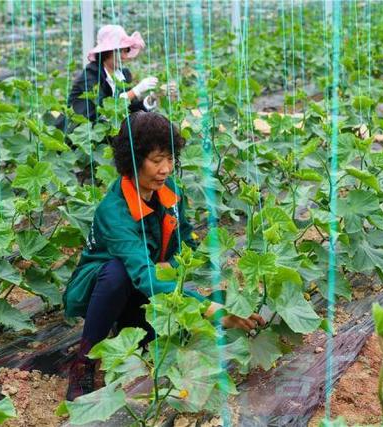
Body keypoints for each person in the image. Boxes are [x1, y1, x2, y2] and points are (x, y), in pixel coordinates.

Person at [62, 111, 266, 401]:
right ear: (133, 160)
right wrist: (211, 311)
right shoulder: (113, 211)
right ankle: (83, 361)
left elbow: (186, 242)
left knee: (156, 346)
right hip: (105, 289)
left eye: (170, 159)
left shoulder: (170, 191)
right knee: (117, 273)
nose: (165, 169)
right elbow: (143, 274)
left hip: (148, 286)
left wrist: (171, 265)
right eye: (156, 161)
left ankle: (128, 328)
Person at [55, 24, 174, 135]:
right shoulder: (91, 75)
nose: (124, 56)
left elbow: (128, 109)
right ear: (106, 52)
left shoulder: (120, 75)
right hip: (76, 135)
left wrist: (151, 98)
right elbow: (106, 109)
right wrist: (136, 91)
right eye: (119, 51)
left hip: (102, 134)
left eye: (126, 51)